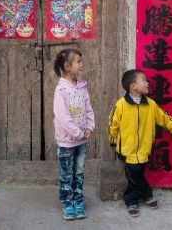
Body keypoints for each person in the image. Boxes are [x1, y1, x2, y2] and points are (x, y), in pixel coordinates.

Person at [108, 69, 172, 217]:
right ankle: (139, 197)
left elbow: (164, 117)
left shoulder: (150, 104)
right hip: (126, 150)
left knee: (136, 175)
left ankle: (136, 197)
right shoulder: (121, 104)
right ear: (133, 86)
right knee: (134, 173)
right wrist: (113, 142)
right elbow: (112, 125)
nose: (147, 83)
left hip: (144, 149)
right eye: (143, 80)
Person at [53, 48, 95, 220]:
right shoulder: (61, 90)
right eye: (78, 61)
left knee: (78, 172)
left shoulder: (82, 88)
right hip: (67, 142)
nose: (81, 65)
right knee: (66, 174)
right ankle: (67, 202)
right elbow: (62, 117)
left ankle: (78, 200)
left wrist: (89, 128)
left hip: (81, 142)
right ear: (67, 66)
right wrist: (78, 133)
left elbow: (88, 110)